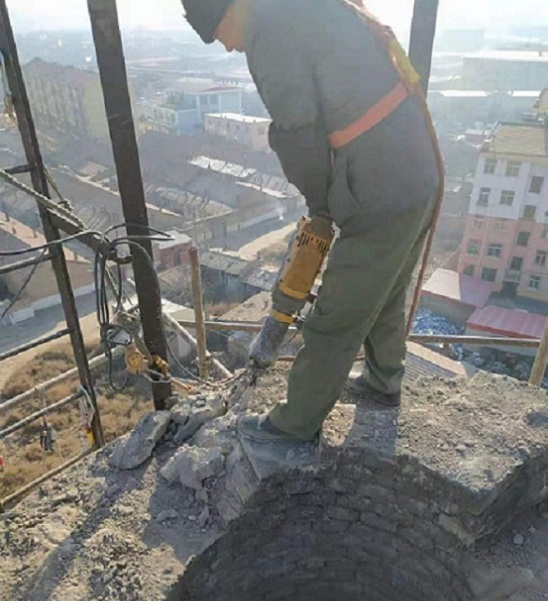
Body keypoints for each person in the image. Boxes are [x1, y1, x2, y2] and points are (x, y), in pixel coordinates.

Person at [181, 0, 442, 443]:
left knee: (336, 313)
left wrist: (321, 206)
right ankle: (383, 381)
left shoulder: (268, 30)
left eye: (218, 33)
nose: (226, 47)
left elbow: (297, 132)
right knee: (385, 290)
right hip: (413, 173)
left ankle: (295, 423)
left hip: (381, 186)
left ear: (229, 8)